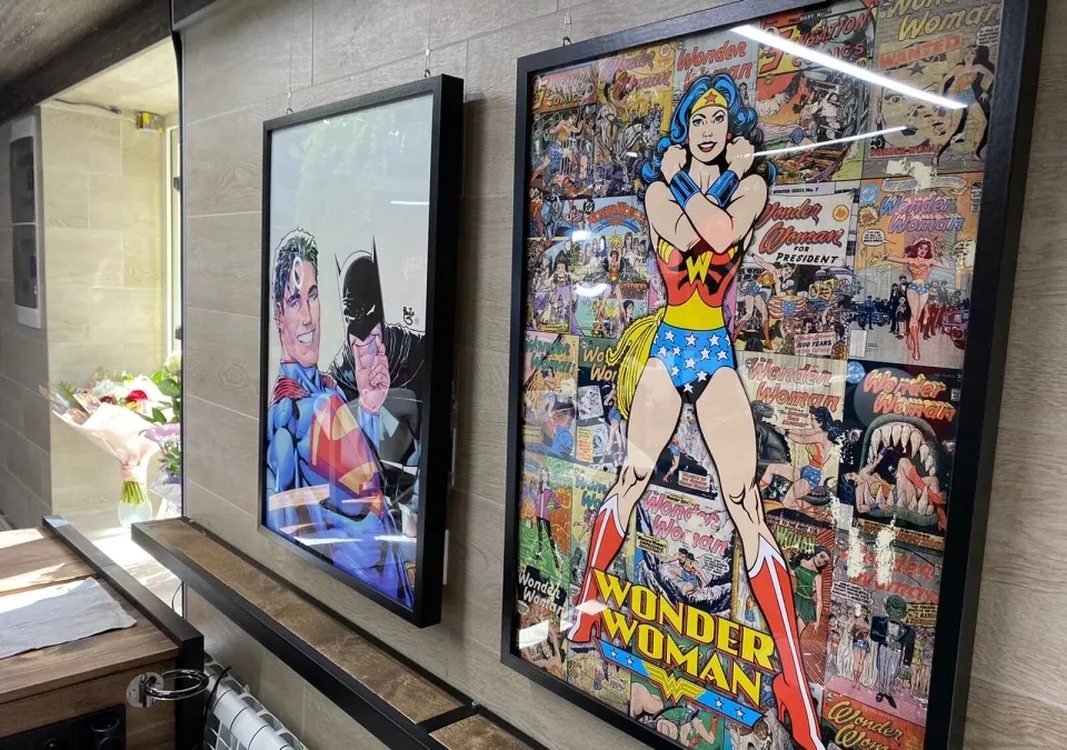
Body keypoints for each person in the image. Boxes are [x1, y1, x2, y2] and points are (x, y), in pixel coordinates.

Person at [565, 73, 824, 750]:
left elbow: (720, 229)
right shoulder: (663, 188)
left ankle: (795, 696)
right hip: (670, 344)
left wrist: (714, 182)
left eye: (718, 118)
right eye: (697, 118)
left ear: (731, 126)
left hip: (712, 349)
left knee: (744, 503)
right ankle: (587, 610)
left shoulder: (750, 187)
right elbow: (692, 238)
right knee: (632, 477)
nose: (708, 129)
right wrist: (696, 179)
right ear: (685, 128)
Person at [265, 230, 411, 605]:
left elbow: (369, 482)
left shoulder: (330, 391)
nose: (308, 317)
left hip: (385, 585)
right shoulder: (286, 416)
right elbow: (287, 542)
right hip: (350, 594)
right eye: (294, 301)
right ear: (279, 313)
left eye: (313, 296)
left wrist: (371, 407)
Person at [758, 406, 842, 511]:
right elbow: (802, 432)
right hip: (804, 470)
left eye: (813, 420)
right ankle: (756, 492)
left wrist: (785, 433)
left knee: (786, 502)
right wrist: (786, 430)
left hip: (811, 478)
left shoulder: (823, 436)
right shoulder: (818, 432)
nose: (811, 422)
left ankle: (815, 511)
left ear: (820, 422)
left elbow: (802, 439)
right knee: (771, 468)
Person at [881, 238, 948, 360]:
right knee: (914, 315)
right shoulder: (910, 259)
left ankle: (910, 336)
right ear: (916, 248)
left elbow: (946, 266)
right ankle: (917, 347)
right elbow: (897, 259)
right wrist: (886, 257)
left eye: (925, 249)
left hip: (923, 289)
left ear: (928, 251)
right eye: (921, 248)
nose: (923, 251)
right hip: (912, 288)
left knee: (916, 317)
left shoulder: (930, 261)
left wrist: (940, 254)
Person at [936, 45, 995, 165]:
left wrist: (985, 90)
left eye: (972, 53)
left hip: (970, 96)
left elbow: (991, 75)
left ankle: (974, 152)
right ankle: (937, 154)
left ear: (975, 56)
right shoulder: (959, 68)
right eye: (966, 53)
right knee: (954, 128)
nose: (968, 56)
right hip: (959, 98)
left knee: (983, 121)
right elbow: (944, 81)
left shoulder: (977, 67)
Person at [871, 595, 916, 709]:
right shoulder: (879, 621)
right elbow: (874, 635)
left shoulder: (908, 630)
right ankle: (881, 691)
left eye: (898, 612)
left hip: (896, 653)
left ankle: (888, 693)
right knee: (882, 670)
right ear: (887, 609)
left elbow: (910, 647)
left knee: (892, 673)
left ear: (903, 614)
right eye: (892, 611)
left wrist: (906, 664)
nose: (895, 614)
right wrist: (887, 639)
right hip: (883, 649)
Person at [790, 546, 831, 633]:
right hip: (796, 599)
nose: (822, 561)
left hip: (807, 606)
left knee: (797, 633)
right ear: (816, 552)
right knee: (787, 626)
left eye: (825, 561)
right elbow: (788, 571)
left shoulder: (817, 576)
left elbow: (820, 600)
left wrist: (818, 621)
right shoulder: (801, 562)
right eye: (822, 556)